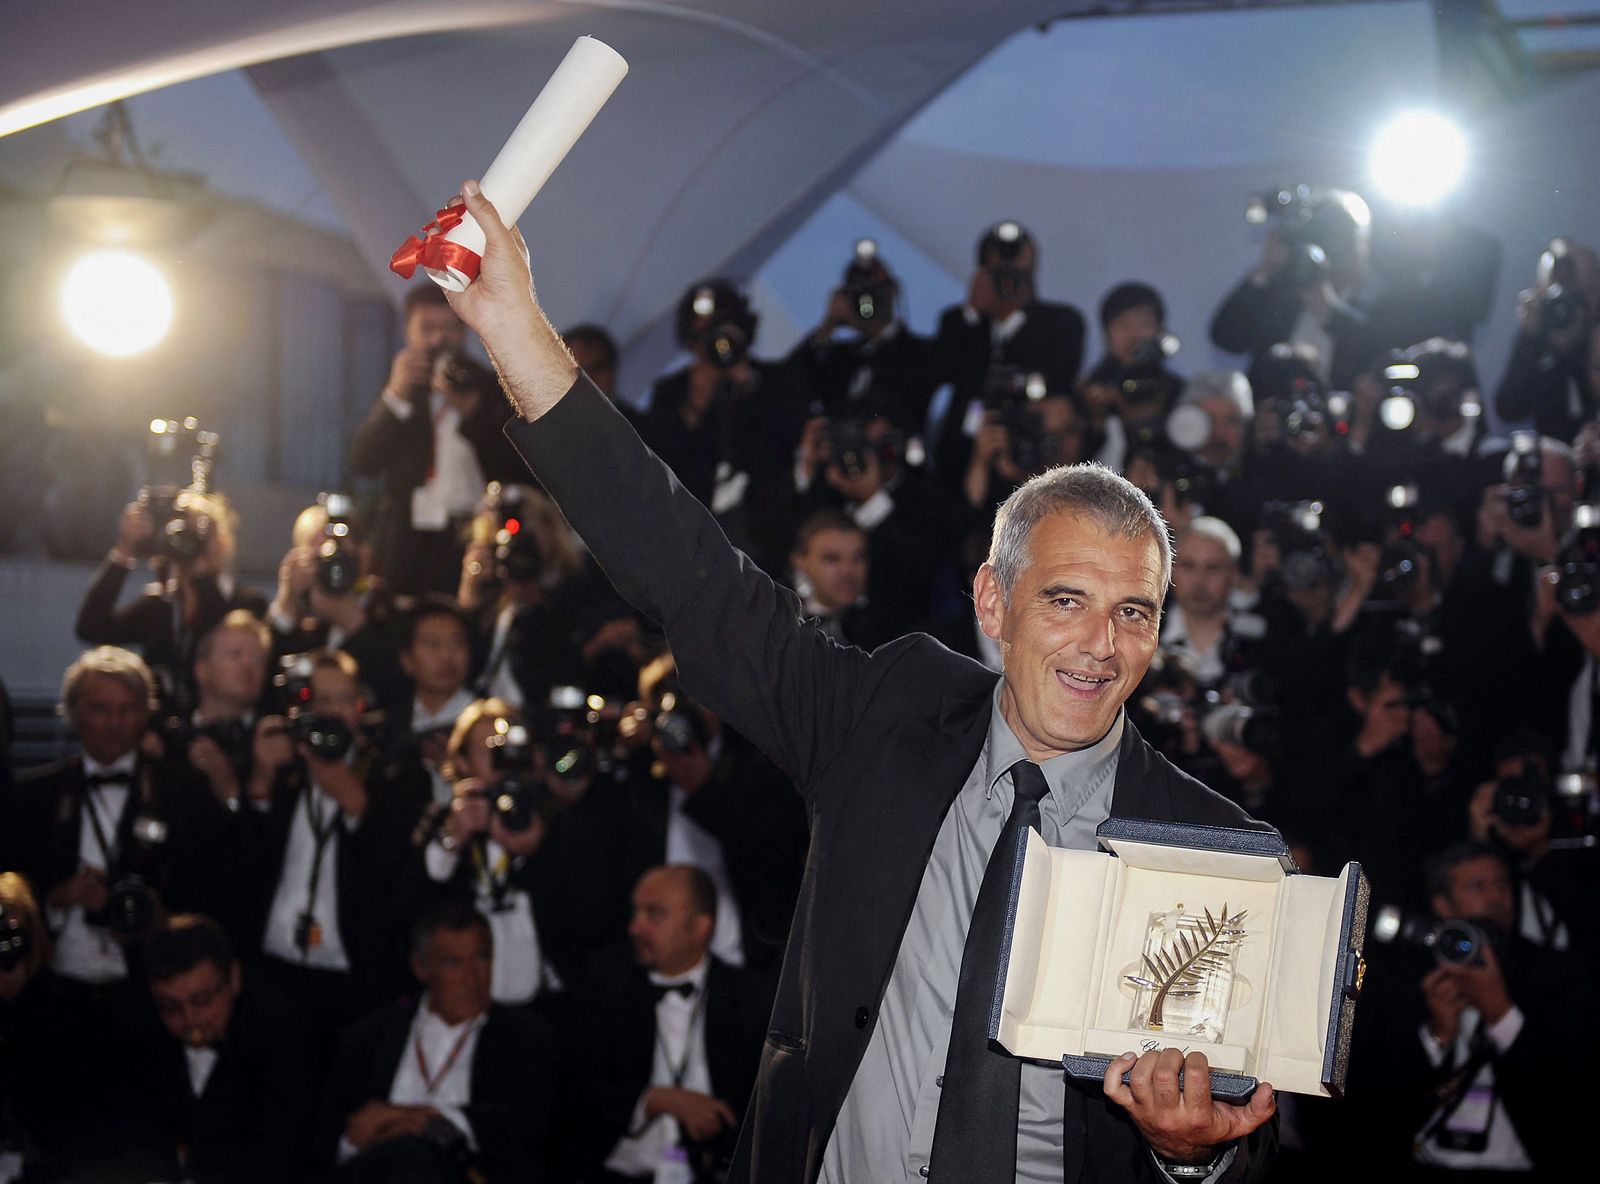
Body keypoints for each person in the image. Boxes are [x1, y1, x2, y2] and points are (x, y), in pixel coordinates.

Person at [439, 180, 1277, 1184]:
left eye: (1133, 610)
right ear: (993, 602)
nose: (1101, 642)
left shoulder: (1208, 847)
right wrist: (513, 326)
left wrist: (1188, 1156)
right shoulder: (885, 716)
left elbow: (1255, 1133)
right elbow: (691, 573)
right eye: (1065, 600)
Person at [320, 900, 556, 1183]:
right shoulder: (369, 1037)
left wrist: (430, 1123)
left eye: (481, 959)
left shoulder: (525, 1039)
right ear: (421, 968)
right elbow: (329, 1140)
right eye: (453, 963)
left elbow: (523, 1132)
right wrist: (352, 1139)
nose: (472, 979)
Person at [581, 865, 774, 1183]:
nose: (635, 927)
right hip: (622, 1173)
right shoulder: (604, 989)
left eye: (653, 914)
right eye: (636, 912)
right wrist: (654, 1100)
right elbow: (577, 1093)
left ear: (700, 927)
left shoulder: (751, 999)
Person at [347, 284, 521, 595]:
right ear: (407, 331)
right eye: (427, 329)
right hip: (406, 540)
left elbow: (512, 467)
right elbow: (363, 462)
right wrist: (396, 396)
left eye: (450, 328)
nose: (439, 339)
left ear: (466, 330)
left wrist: (473, 412)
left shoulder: (492, 386)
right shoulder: (401, 389)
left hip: (471, 536)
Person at [118, 914, 314, 1184]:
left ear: (233, 979)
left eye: (202, 1000)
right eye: (171, 1006)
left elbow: (281, 1157)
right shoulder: (134, 1025)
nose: (190, 1019)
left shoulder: (283, 1033)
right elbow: (127, 1135)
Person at [930, 221, 1088, 487]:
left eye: (1016, 267)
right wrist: (973, 309)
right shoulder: (960, 323)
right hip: (962, 462)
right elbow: (939, 371)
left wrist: (1014, 308)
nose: (1008, 276)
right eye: (998, 269)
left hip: (1033, 458)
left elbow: (1059, 377)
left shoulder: (1061, 322)